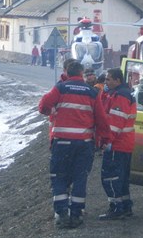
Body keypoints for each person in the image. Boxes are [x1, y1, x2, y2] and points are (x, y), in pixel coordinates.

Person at [38, 61, 110, 229]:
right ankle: (76, 214)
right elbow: (101, 119)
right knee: (80, 177)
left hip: (61, 142)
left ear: (67, 73)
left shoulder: (61, 88)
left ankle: (62, 214)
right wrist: (104, 140)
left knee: (59, 176)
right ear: (82, 73)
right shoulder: (92, 92)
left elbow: (43, 106)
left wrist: (52, 111)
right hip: (84, 144)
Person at [98, 68, 137, 220]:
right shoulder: (120, 94)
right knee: (121, 177)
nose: (105, 83)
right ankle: (125, 206)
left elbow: (115, 123)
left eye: (108, 79)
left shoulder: (120, 96)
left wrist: (107, 142)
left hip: (117, 144)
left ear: (117, 80)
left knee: (111, 176)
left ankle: (116, 208)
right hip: (124, 144)